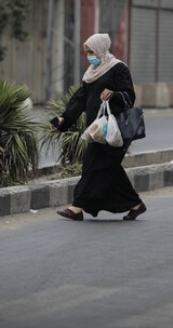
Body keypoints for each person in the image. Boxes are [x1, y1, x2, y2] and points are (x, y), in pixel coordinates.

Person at [50, 33, 147, 221]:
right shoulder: (90, 74)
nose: (89, 56)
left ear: (101, 50)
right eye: (87, 52)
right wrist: (63, 119)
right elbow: (79, 100)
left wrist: (113, 94)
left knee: (93, 166)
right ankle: (135, 204)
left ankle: (77, 207)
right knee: (110, 169)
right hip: (96, 131)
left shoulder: (118, 68)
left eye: (91, 52)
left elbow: (129, 96)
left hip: (115, 130)